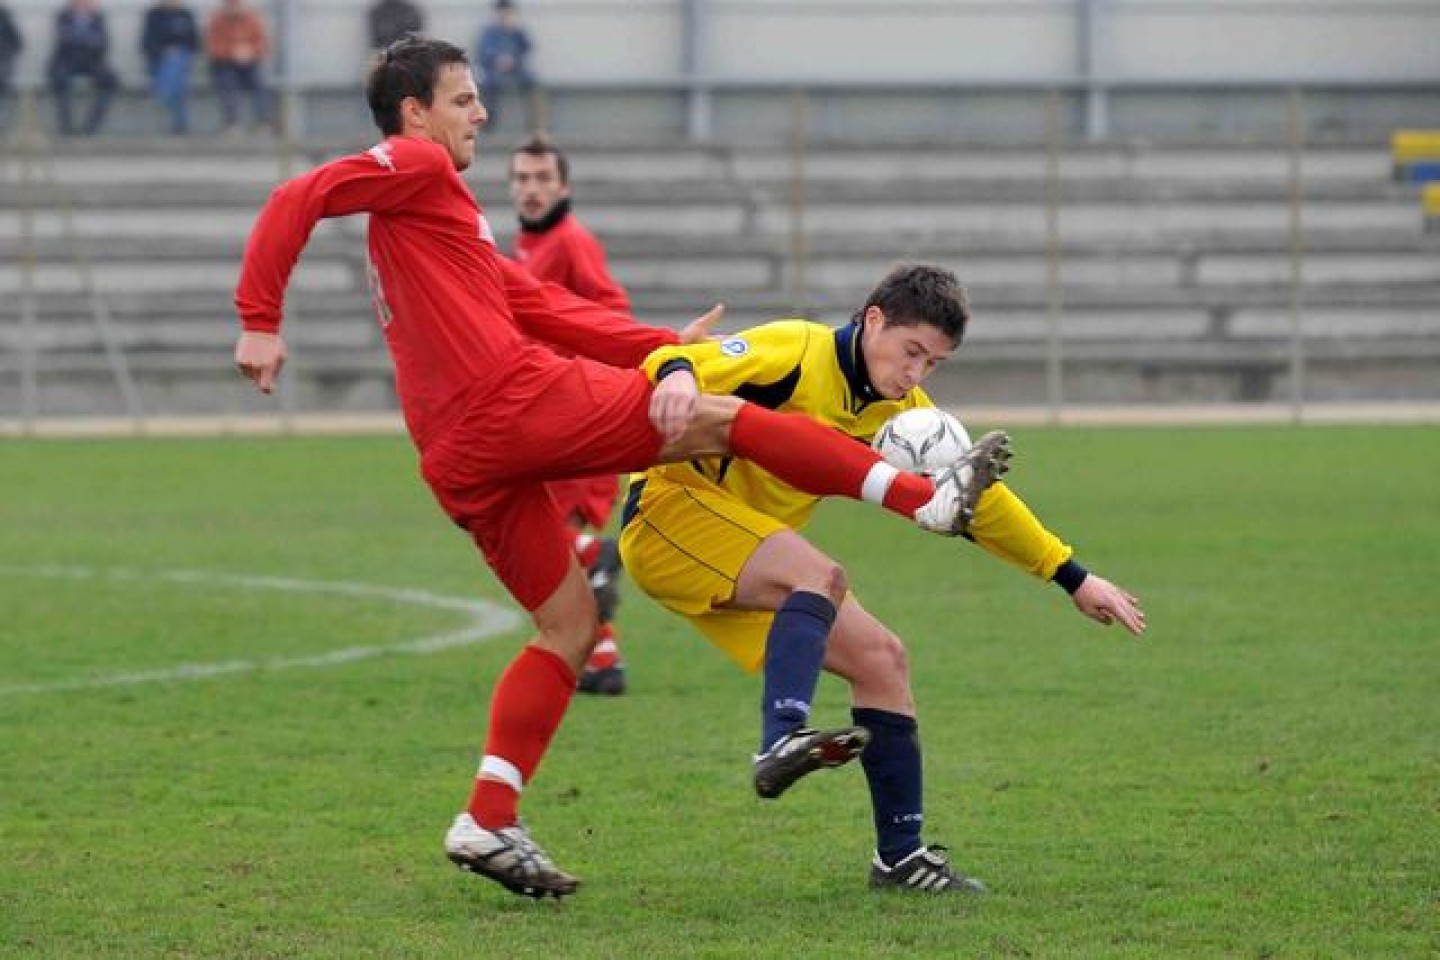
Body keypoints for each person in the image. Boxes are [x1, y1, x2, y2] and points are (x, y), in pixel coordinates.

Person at [232, 36, 1011, 901]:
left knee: (568, 628)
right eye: (464, 99)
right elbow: (295, 195)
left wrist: (665, 346)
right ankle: (922, 500)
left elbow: (544, 307)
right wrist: (259, 316)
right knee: (725, 420)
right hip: (508, 405)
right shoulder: (415, 166)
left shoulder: (436, 227)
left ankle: (488, 815)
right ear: (415, 113)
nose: (481, 113)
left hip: (453, 453)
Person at [619, 264, 1147, 894]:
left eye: (933, 364)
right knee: (819, 574)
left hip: (748, 547)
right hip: (668, 513)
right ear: (873, 320)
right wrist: (678, 372)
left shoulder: (904, 412)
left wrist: (1072, 576)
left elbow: (979, 504)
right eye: (911, 351)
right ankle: (779, 741)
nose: (915, 374)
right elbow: (675, 360)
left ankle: (900, 858)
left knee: (882, 659)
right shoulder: (796, 349)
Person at [509, 132, 633, 695]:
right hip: (549, 412)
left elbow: (612, 312)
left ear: (564, 187)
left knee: (550, 541)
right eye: (522, 179)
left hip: (576, 413)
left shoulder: (571, 242)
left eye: (542, 179)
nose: (531, 190)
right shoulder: (529, 244)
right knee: (558, 547)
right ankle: (603, 662)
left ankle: (600, 557)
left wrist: (586, 383)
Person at [47, 0, 118, 136]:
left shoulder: (98, 18)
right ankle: (66, 126)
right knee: (61, 80)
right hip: (67, 60)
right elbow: (64, 40)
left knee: (109, 81)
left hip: (92, 61)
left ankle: (90, 127)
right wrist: (87, 40)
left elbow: (103, 42)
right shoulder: (63, 17)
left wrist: (83, 40)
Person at [205, 0, 270, 137]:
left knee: (261, 83)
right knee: (228, 85)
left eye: (237, 5)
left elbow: (263, 44)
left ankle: (263, 122)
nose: (234, 8)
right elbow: (212, 47)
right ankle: (232, 124)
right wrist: (232, 52)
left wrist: (250, 51)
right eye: (231, 5)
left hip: (249, 63)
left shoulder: (252, 19)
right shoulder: (217, 21)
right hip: (224, 63)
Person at [141, 0, 199, 134]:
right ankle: (181, 124)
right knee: (178, 83)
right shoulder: (153, 15)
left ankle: (163, 93)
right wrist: (164, 51)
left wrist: (177, 50)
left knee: (176, 65)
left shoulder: (186, 15)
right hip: (159, 59)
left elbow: (194, 42)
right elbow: (147, 41)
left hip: (182, 56)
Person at [475, 0, 533, 132]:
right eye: (503, 13)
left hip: (516, 69)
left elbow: (527, 48)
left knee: (532, 81)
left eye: (509, 13)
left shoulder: (517, 32)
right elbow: (483, 53)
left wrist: (514, 60)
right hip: (494, 70)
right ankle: (488, 122)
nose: (506, 16)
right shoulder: (489, 32)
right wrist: (497, 60)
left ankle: (535, 124)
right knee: (490, 84)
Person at [0, 3, 22, 123]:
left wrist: (6, 55)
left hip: (2, 59)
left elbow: (17, 42)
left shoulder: (4, 16)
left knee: (2, 79)